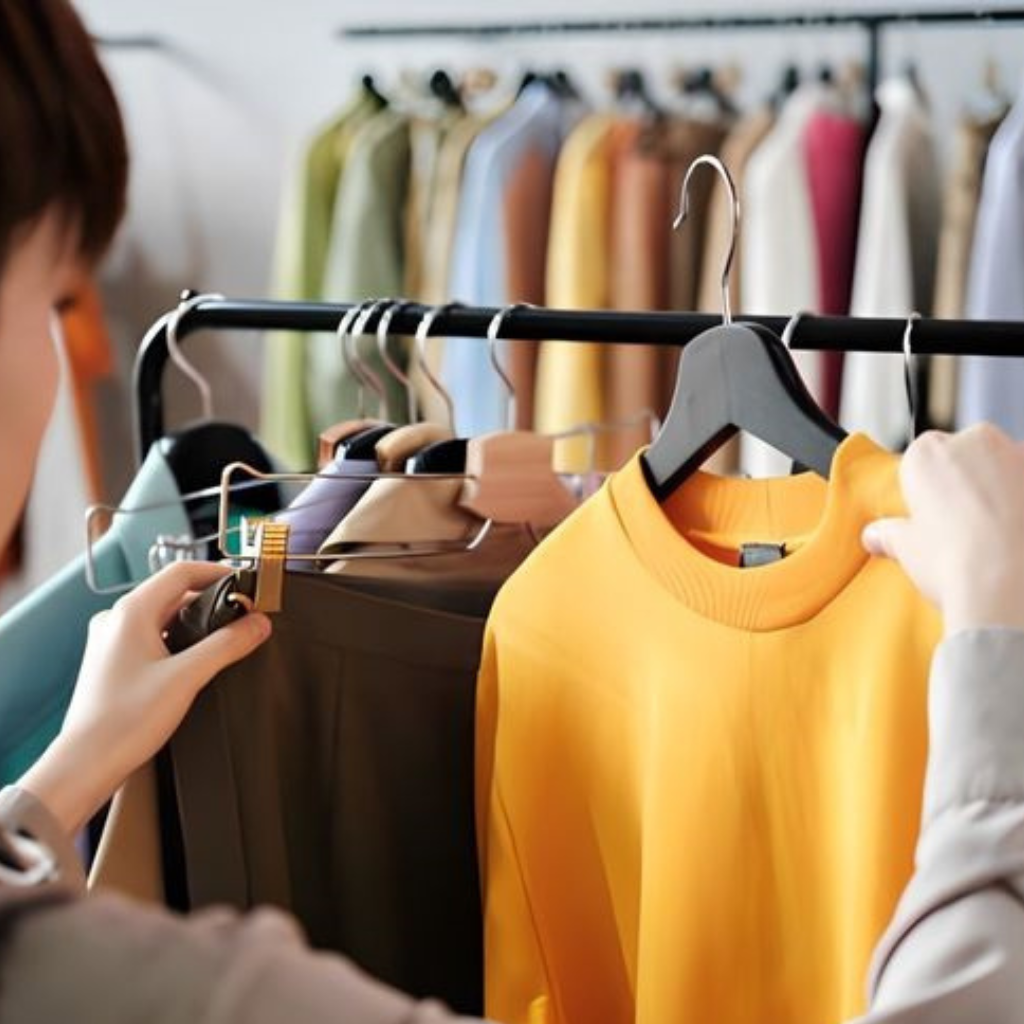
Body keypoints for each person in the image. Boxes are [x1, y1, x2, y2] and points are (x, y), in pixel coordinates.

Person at [1, 2, 1024, 1021]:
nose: (61, 355)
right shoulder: (551, 618)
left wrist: (57, 787)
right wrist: (996, 647)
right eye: (53, 295)